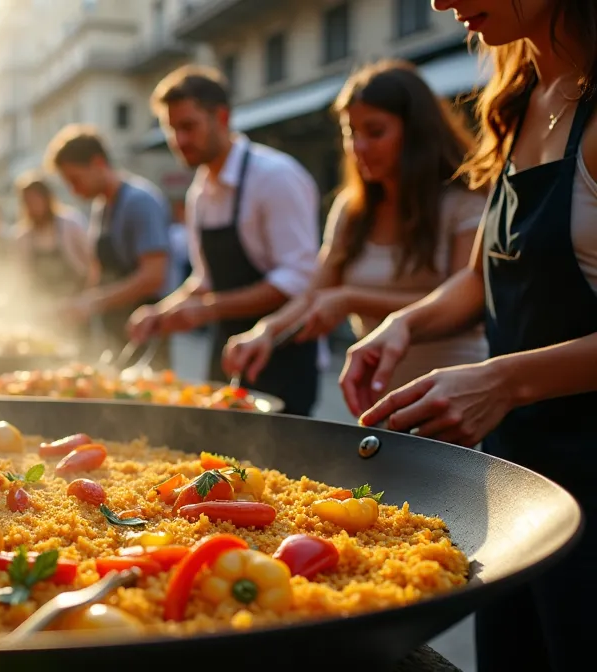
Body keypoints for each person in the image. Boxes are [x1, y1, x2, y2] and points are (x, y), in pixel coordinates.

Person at [346, 2, 597, 670]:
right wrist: (403, 324)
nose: (437, 2)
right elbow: (480, 274)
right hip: (518, 479)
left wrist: (504, 380)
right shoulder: (518, 101)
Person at [223, 60, 488, 403]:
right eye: (351, 133)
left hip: (454, 396)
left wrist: (351, 298)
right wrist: (266, 331)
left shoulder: (464, 201)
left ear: (416, 132)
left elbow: (465, 301)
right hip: (377, 396)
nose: (358, 147)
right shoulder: (351, 209)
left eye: (375, 132)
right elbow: (314, 294)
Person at [132, 66, 321, 415]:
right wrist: (161, 311)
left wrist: (207, 310)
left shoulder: (275, 177)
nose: (179, 140)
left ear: (221, 117)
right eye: (171, 129)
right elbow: (204, 279)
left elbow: (298, 279)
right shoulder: (200, 191)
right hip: (225, 353)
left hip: (283, 354)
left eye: (188, 126)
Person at [46, 124, 171, 358]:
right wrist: (77, 304)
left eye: (75, 180)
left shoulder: (139, 201)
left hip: (145, 331)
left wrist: (95, 302)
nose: (73, 190)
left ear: (98, 163)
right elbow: (99, 268)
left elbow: (154, 276)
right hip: (114, 330)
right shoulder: (100, 207)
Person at [11, 171, 93, 300]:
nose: (33, 205)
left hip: (80, 297)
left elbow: (92, 263)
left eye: (36, 199)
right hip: (46, 302)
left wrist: (87, 298)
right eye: (28, 201)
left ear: (47, 198)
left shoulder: (70, 223)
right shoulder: (22, 237)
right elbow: (23, 276)